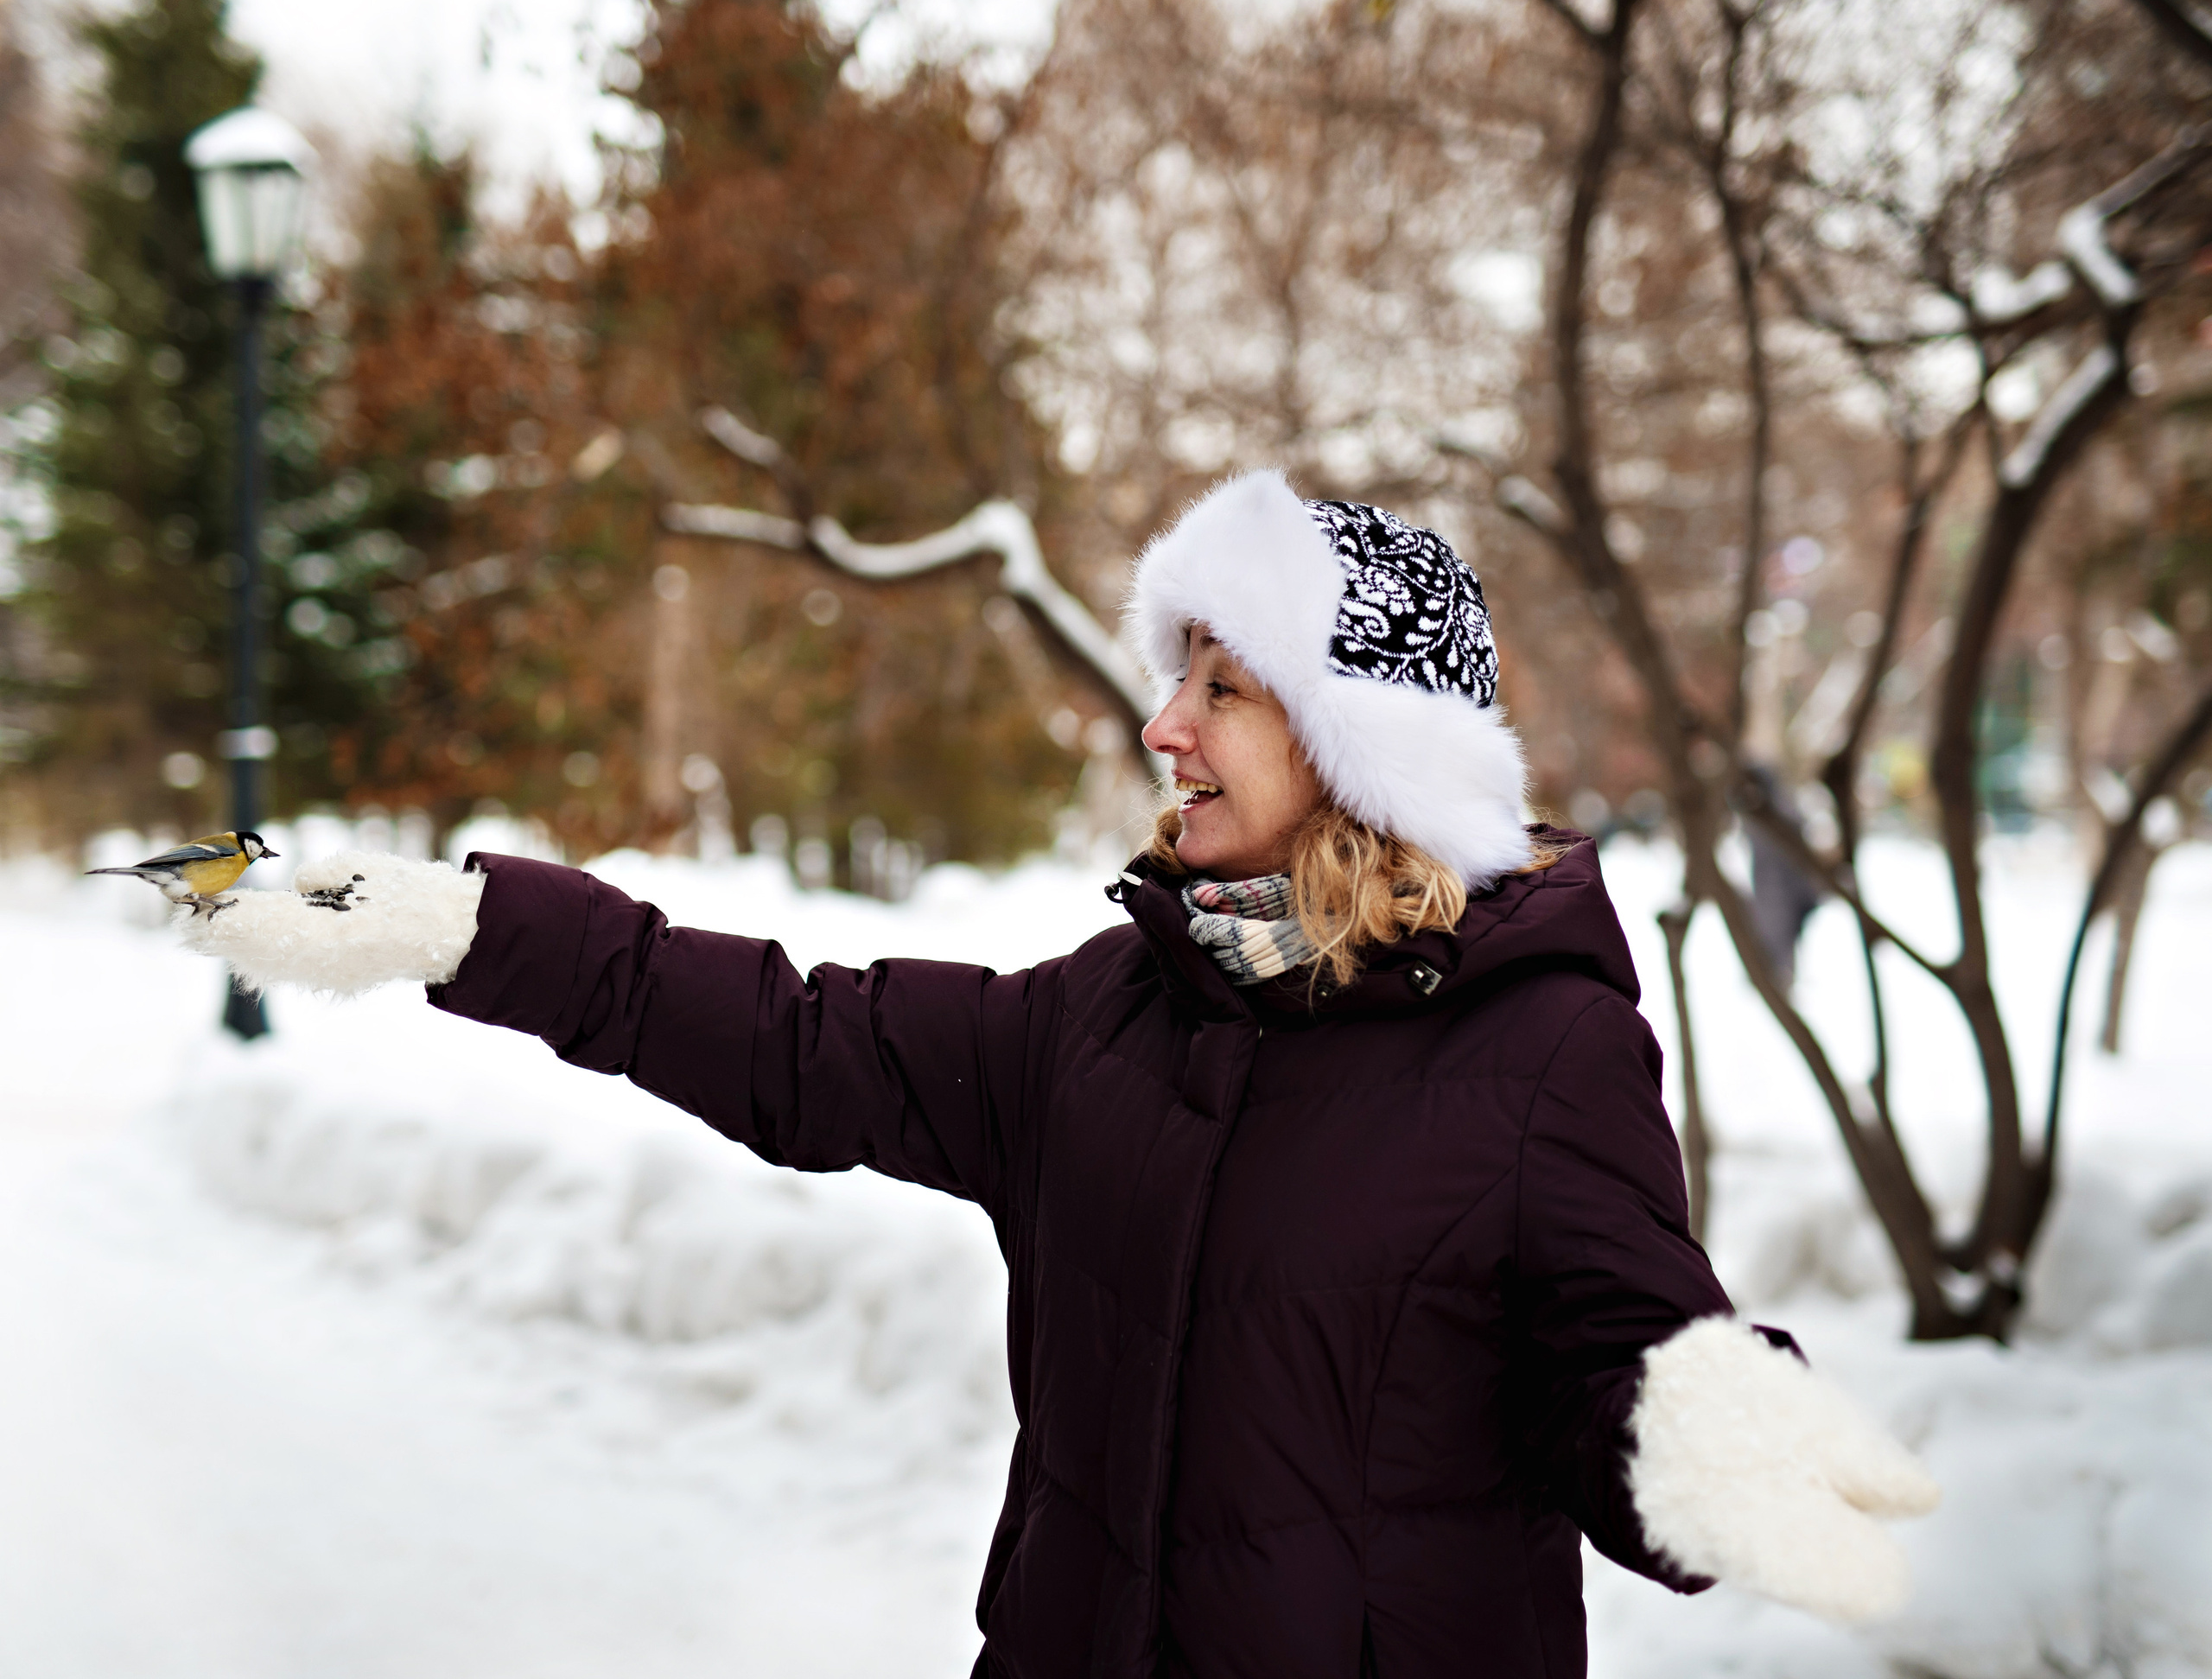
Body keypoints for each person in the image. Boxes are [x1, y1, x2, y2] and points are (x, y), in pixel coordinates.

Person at [188, 470, 1936, 1679]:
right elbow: (804, 1037)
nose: (1164, 725)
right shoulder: (1111, 1015)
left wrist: (1697, 1427)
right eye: (1177, 676)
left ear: (1361, 750)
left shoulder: (1536, 1050)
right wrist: (472, 929)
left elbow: (1606, 1372)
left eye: (1226, 686)